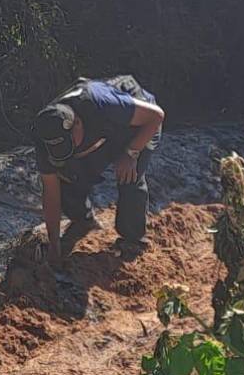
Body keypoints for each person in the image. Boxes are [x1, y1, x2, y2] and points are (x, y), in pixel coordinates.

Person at [32, 75, 165, 261]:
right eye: (59, 150)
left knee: (129, 175)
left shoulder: (101, 103)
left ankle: (133, 242)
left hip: (137, 124)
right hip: (100, 136)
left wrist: (131, 153)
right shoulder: (45, 136)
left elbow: (156, 116)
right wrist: (54, 244)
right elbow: (51, 194)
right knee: (67, 177)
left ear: (76, 123)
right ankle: (83, 221)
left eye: (68, 145)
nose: (66, 152)